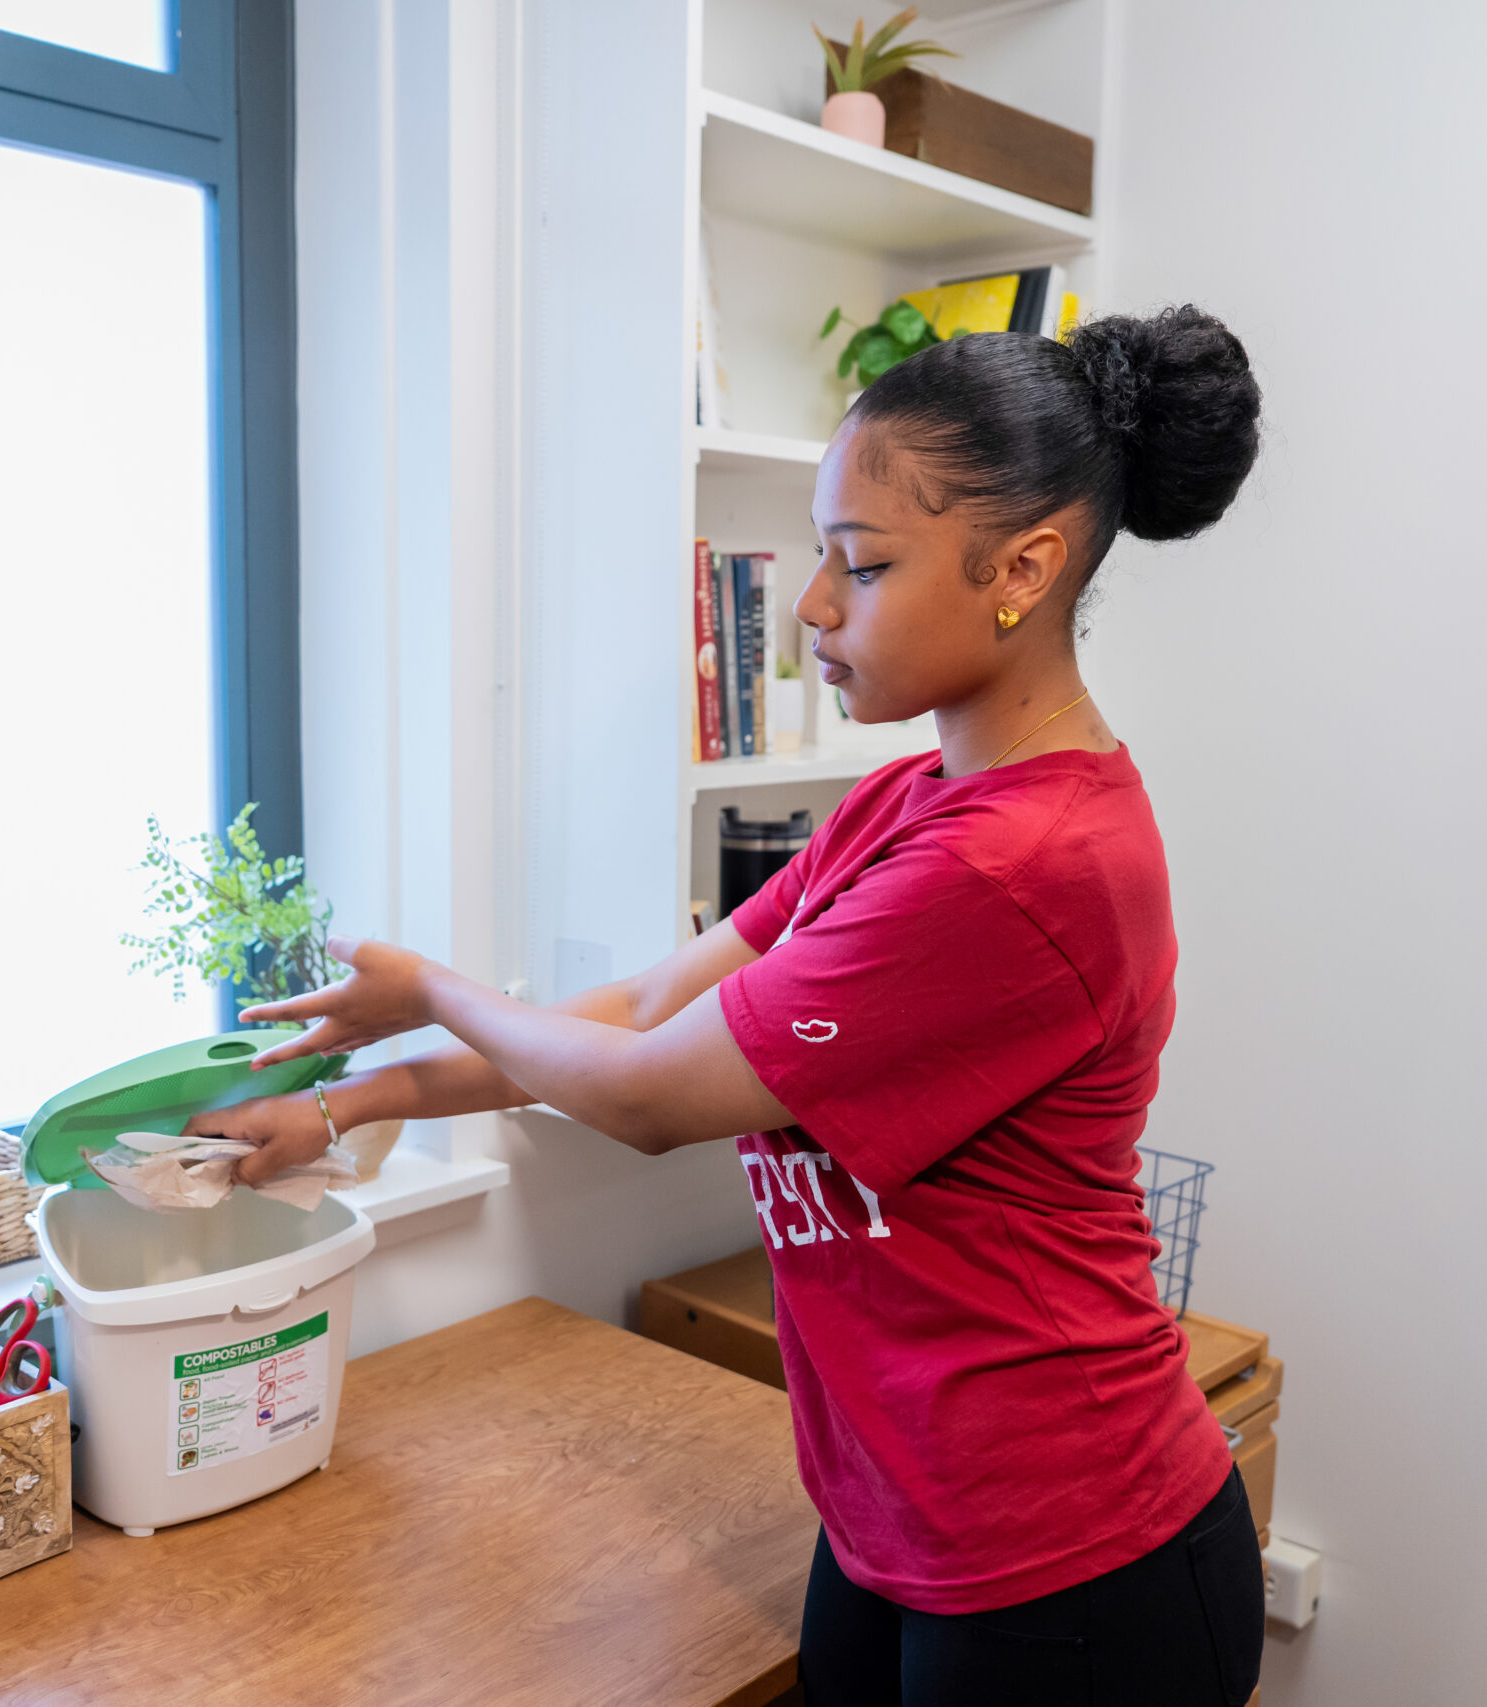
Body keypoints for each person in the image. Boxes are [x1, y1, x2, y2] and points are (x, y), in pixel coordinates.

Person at [187, 304, 1266, 1706]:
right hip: (899, 1518)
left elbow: (646, 1101)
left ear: (1024, 566)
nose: (815, 607)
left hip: (1071, 1557)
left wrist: (433, 990)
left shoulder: (1024, 865)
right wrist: (350, 1097)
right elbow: (639, 1012)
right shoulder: (907, 802)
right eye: (821, 558)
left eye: (860, 565)